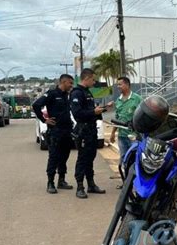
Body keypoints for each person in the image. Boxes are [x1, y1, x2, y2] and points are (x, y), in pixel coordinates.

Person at [70, 68, 113, 199]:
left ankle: (91, 184)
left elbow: (91, 111)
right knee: (83, 158)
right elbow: (77, 114)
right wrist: (94, 112)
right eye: (93, 79)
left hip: (91, 130)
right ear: (86, 78)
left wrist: (104, 109)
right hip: (83, 131)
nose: (94, 82)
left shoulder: (87, 92)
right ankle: (80, 186)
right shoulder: (76, 93)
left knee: (90, 158)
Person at [32, 74, 74, 194]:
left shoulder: (66, 95)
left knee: (64, 157)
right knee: (54, 157)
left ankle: (62, 180)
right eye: (70, 83)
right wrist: (44, 120)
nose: (71, 86)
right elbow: (36, 105)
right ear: (64, 82)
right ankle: (50, 182)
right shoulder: (51, 94)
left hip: (67, 131)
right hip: (56, 132)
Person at [109, 76, 141, 187]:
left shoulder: (137, 99)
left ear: (127, 85)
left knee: (136, 160)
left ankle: (137, 184)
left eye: (120, 84)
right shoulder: (118, 100)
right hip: (122, 136)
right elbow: (117, 118)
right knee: (124, 159)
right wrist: (113, 133)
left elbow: (141, 116)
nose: (118, 87)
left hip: (134, 136)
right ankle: (126, 183)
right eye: (118, 85)